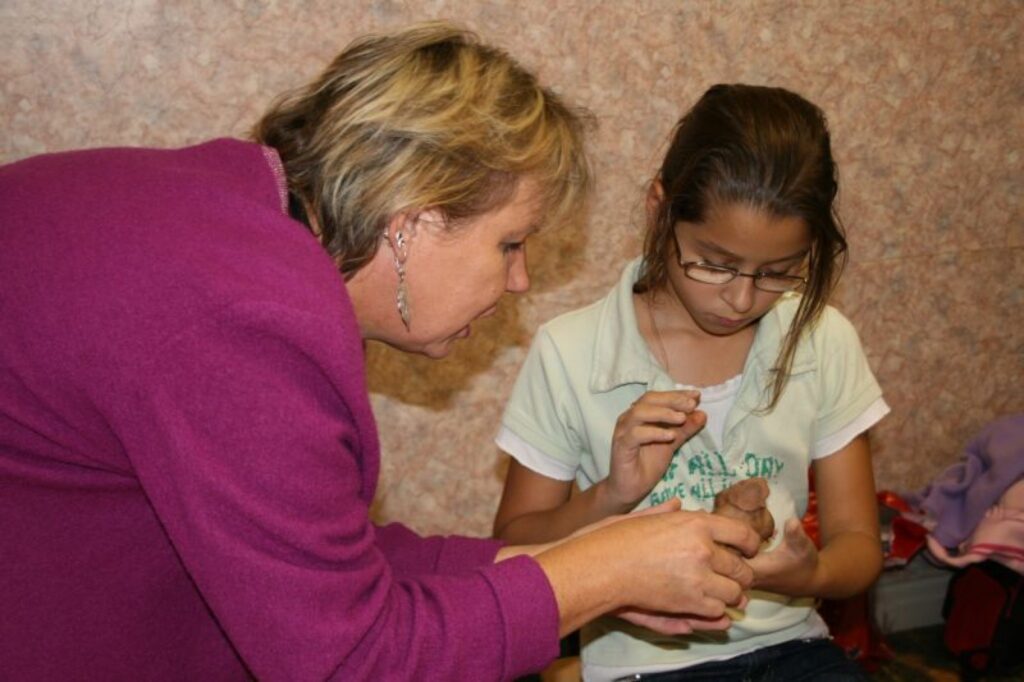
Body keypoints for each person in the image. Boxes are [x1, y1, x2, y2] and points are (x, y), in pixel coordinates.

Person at [0, 23, 763, 681]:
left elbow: (323, 561)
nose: (520, 278)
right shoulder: (245, 317)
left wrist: (592, 560)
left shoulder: (231, 222)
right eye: (511, 242)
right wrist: (593, 576)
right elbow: (354, 661)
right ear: (412, 219)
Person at [493, 84, 890, 681]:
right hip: (642, 664)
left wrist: (812, 577)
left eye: (778, 273)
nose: (740, 298)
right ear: (660, 209)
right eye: (714, 262)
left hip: (793, 647)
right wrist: (612, 495)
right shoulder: (570, 352)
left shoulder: (822, 339)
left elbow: (857, 544)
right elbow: (514, 546)